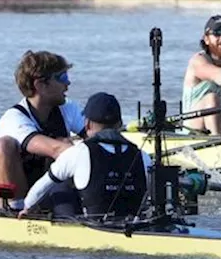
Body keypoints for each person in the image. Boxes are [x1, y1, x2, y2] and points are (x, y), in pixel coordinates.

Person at [20, 92, 149, 220]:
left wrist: (28, 207)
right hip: (134, 225)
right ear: (120, 124)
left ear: (87, 124)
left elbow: (40, 188)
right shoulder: (142, 155)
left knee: (60, 184)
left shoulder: (79, 152)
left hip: (94, 226)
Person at [0, 51, 86, 210]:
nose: (68, 84)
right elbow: (56, 149)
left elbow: (96, 136)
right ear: (40, 85)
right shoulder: (12, 120)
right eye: (62, 78)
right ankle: (14, 210)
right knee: (3, 145)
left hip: (44, 193)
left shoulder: (67, 108)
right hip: (14, 199)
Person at [181, 15, 221, 135]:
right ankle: (217, 142)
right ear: (206, 39)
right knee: (211, 98)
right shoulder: (198, 61)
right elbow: (219, 76)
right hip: (194, 128)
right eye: (217, 34)